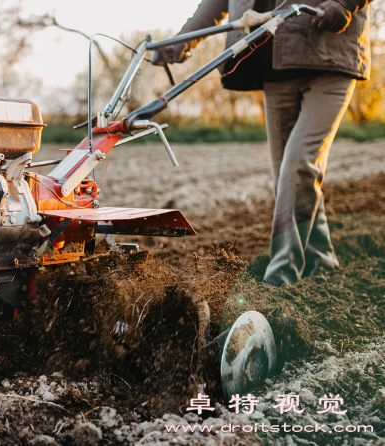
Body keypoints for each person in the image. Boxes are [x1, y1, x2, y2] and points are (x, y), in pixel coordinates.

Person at [154, 0, 373, 286]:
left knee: (298, 164)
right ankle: (322, 261)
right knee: (287, 174)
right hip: (275, 62)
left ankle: (282, 275)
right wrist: (183, 38)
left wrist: (344, 4)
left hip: (329, 56)